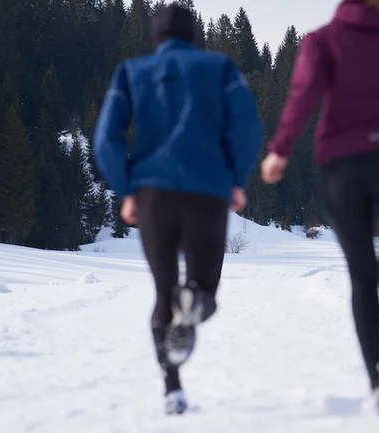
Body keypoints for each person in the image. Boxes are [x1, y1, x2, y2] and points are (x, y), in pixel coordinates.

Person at [260, 0, 379, 408]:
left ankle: (378, 386)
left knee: (363, 275)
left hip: (342, 166)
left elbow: (303, 97)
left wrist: (280, 150)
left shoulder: (323, 40)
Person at [93, 4, 263, 415]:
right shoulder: (220, 67)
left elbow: (105, 138)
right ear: (192, 34)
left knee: (162, 292)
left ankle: (172, 390)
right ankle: (195, 301)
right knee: (204, 291)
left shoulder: (131, 72)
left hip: (154, 193)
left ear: (156, 36)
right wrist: (237, 178)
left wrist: (126, 187)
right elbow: (248, 127)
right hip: (207, 191)